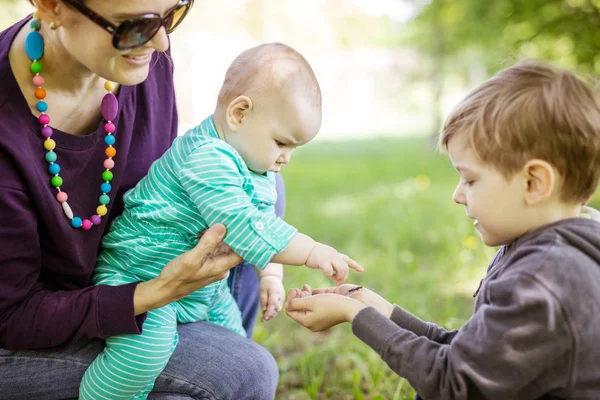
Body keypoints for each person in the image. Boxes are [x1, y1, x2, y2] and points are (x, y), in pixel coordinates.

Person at [0, 1, 282, 398]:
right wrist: (157, 292)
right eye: (135, 25)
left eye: (172, 15)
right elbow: (13, 316)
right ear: (51, 6)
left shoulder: (144, 63)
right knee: (245, 370)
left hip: (132, 279)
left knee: (255, 176)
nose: (162, 41)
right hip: (26, 330)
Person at [285, 61, 600, 399]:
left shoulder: (543, 279)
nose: (457, 194)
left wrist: (355, 315)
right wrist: (378, 309)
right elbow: (469, 356)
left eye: (470, 179)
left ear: (534, 182)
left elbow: (452, 384)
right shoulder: (543, 252)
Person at [78, 42, 363, 400]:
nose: (286, 158)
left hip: (199, 288)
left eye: (294, 149)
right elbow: (245, 226)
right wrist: (312, 251)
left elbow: (261, 218)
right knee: (143, 353)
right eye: (281, 143)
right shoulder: (208, 157)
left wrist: (271, 275)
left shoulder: (253, 162)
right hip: (140, 280)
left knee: (238, 350)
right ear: (239, 113)